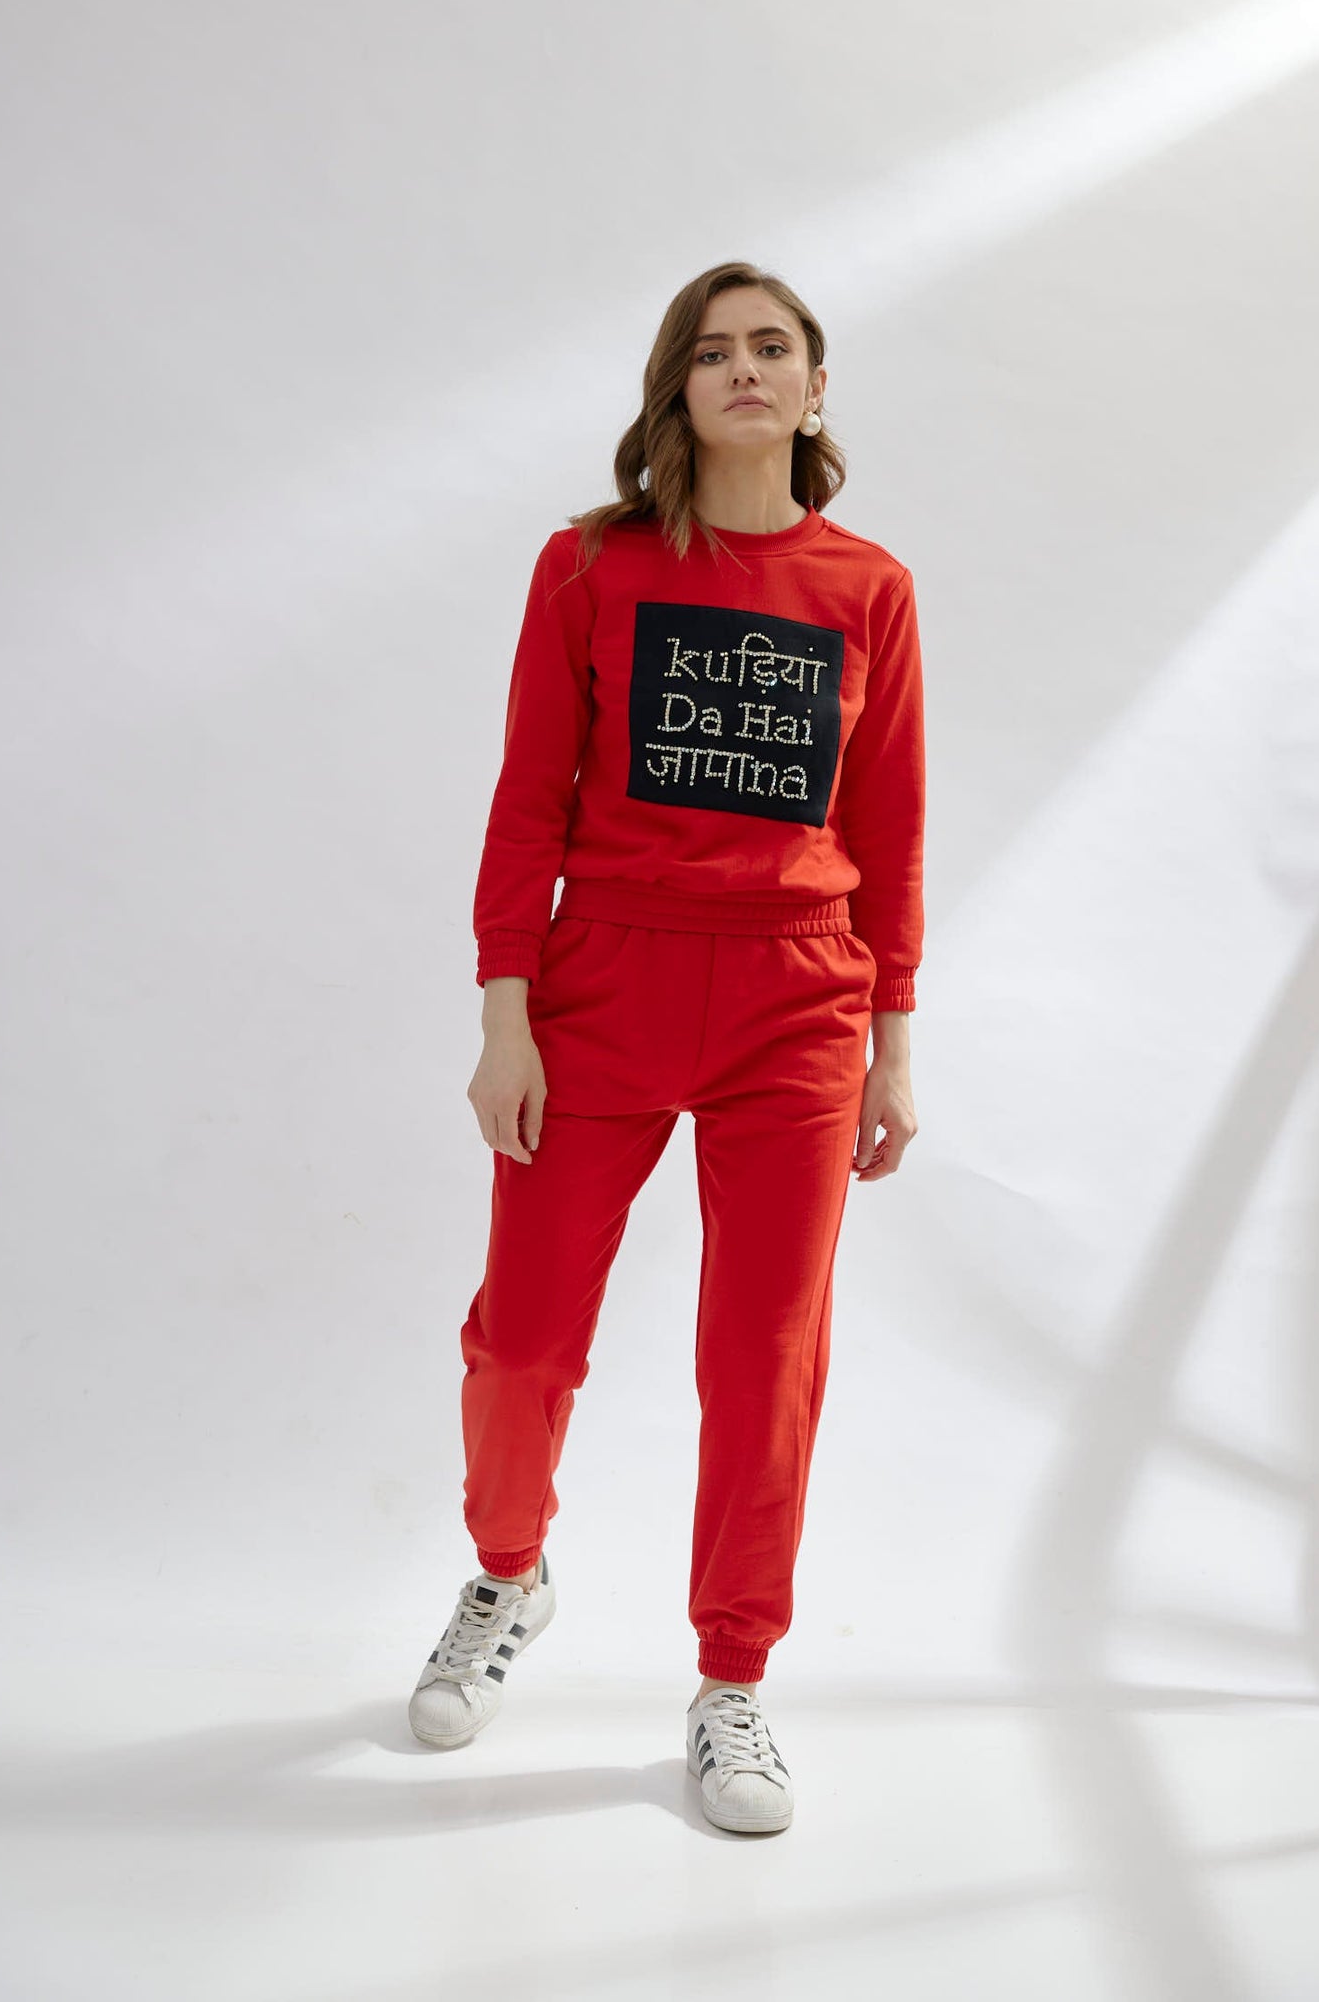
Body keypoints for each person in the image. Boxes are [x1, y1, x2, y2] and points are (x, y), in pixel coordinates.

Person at [408, 260, 925, 1835]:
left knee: (764, 1360)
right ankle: (508, 1572)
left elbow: (889, 826)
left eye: (772, 347)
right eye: (712, 352)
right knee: (521, 1337)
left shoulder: (868, 588)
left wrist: (893, 1043)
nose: (744, 370)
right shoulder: (590, 566)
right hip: (605, 982)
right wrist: (504, 1012)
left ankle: (731, 1679)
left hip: (798, 998)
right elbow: (527, 798)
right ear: (676, 391)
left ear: (814, 387)